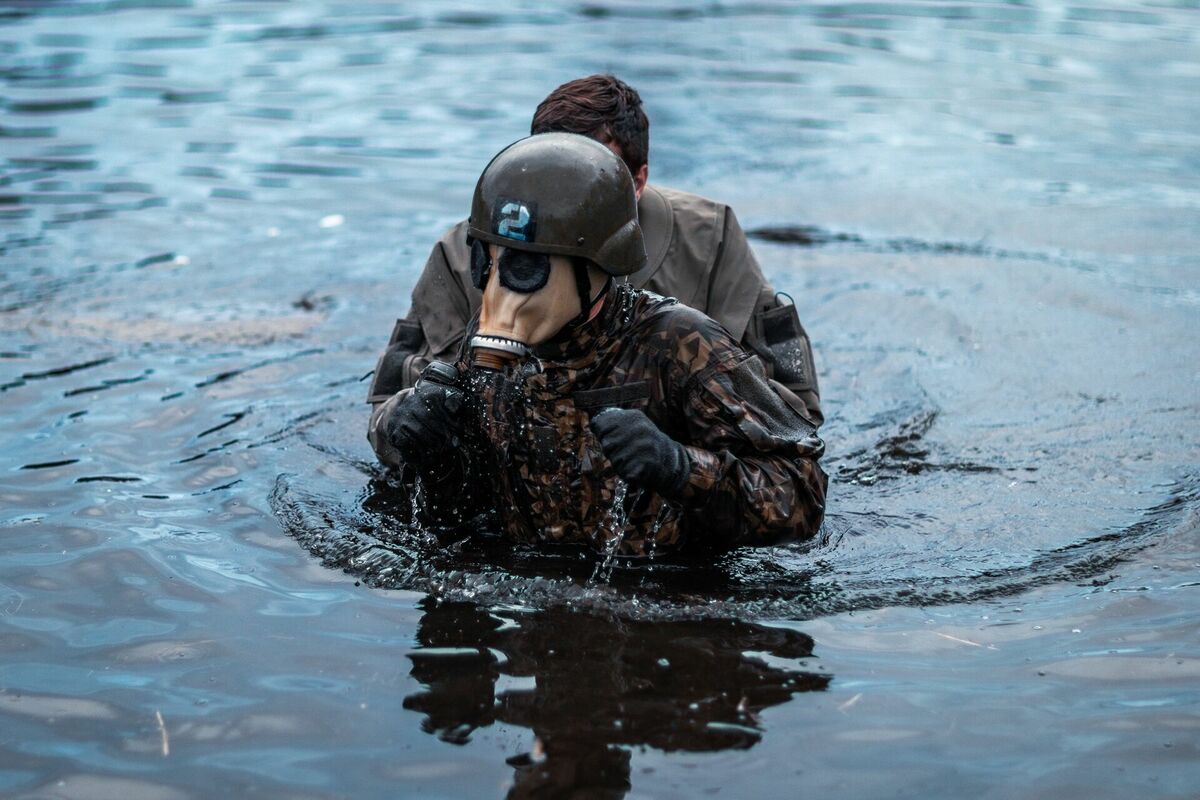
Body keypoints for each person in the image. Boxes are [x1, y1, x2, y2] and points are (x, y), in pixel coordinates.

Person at [368, 134, 827, 554]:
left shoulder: (681, 344)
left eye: (526, 270)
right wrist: (425, 443)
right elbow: (464, 509)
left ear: (594, 267)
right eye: (486, 264)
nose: (497, 293)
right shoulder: (486, 345)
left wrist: (681, 468)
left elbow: (803, 495)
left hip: (667, 595)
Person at [367, 74, 822, 426]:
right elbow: (390, 412)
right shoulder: (469, 251)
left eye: (591, 176)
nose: (564, 200)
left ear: (638, 181)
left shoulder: (709, 240)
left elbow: (794, 415)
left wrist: (680, 444)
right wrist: (416, 422)